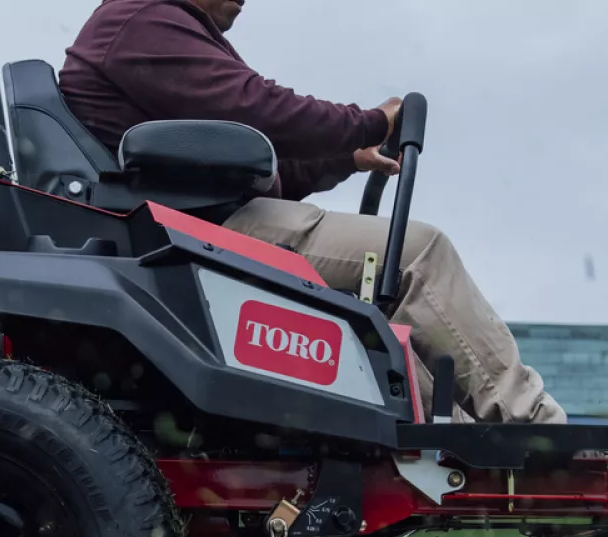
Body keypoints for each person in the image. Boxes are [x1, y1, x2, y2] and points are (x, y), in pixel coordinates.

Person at [57, 0, 567, 424]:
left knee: (384, 338)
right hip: (200, 235)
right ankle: (535, 426)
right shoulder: (141, 18)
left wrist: (345, 158)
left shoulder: (148, 32)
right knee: (419, 252)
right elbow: (257, 108)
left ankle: (469, 450)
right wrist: (369, 123)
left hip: (198, 228)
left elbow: (250, 159)